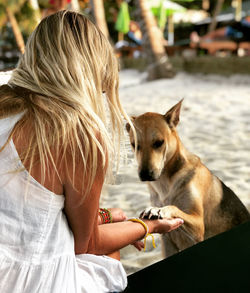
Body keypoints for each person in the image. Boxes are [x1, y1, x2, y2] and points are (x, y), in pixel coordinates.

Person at [0, 10, 184, 293]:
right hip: (28, 284)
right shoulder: (76, 132)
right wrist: (148, 227)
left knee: (112, 217)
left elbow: (22, 214)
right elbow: (86, 245)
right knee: (105, 261)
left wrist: (109, 217)